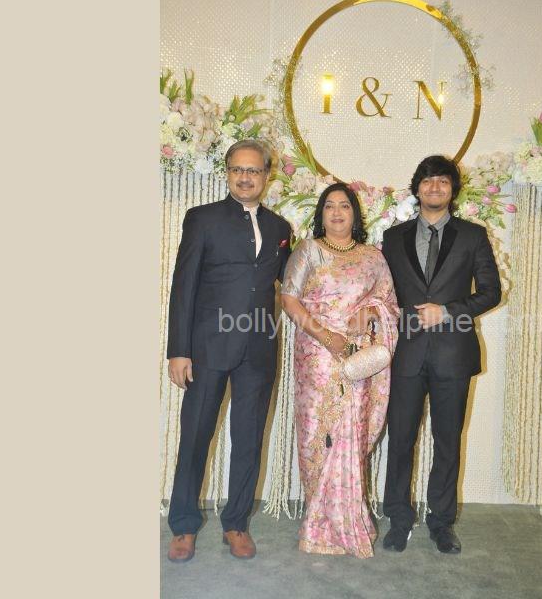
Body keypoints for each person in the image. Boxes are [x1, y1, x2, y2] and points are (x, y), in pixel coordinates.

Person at [166, 139, 292, 562]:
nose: (245, 177)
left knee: (249, 439)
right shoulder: (202, 219)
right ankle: (184, 525)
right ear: (227, 173)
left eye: (253, 170)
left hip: (258, 349)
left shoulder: (280, 228)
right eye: (238, 169)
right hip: (207, 348)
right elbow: (183, 286)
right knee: (195, 437)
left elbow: (290, 285)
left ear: (266, 175)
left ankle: (236, 523)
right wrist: (179, 350)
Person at [381, 155, 502, 554]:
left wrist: (447, 311)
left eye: (443, 181)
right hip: (406, 354)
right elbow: (383, 293)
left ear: (453, 189)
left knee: (447, 440)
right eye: (428, 181)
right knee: (400, 439)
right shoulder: (393, 238)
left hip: (454, 354)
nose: (435, 187)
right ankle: (398, 518)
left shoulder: (472, 235)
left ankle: (441, 522)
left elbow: (491, 292)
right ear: (417, 188)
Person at [280, 182, 399, 558]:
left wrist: (373, 311)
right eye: (329, 206)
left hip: (356, 356)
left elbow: (390, 303)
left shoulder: (373, 257)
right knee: (318, 432)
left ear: (354, 214)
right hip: (316, 355)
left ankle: (349, 518)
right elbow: (289, 299)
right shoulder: (308, 250)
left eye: (344, 206)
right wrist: (325, 335)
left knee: (351, 434)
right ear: (321, 213)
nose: (336, 212)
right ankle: (319, 524)